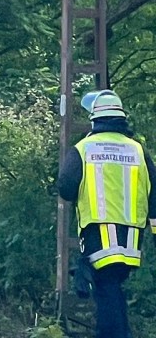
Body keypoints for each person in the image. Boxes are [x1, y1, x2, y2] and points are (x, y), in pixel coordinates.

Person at [58, 89, 156, 338]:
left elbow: (66, 188)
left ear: (94, 119)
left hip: (98, 232)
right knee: (111, 284)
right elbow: (155, 195)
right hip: (132, 236)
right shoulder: (139, 151)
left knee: (105, 285)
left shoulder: (83, 149)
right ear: (121, 118)